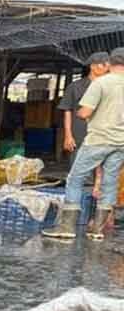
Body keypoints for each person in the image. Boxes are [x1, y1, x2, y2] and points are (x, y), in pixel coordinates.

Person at [44, 47, 124, 241]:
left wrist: (82, 113)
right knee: (110, 181)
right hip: (121, 142)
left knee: (75, 178)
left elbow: (85, 112)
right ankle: (97, 230)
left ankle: (67, 227)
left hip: (98, 139)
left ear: (109, 63)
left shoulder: (101, 83)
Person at [57, 52, 110, 202]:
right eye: (103, 64)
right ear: (93, 66)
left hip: (103, 135)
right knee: (76, 172)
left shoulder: (110, 87)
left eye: (107, 64)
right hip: (79, 134)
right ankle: (74, 207)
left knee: (102, 174)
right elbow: (67, 110)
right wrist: (68, 135)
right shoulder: (75, 87)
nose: (106, 67)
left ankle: (98, 207)